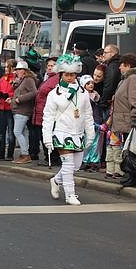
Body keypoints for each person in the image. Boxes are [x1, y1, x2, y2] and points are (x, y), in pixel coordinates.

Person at [42, 54, 95, 205]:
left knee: (76, 165)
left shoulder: (83, 93)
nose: (70, 77)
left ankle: (56, 180)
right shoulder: (54, 94)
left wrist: (90, 134)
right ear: (61, 74)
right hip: (61, 133)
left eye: (72, 74)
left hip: (78, 133)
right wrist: (47, 138)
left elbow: (88, 115)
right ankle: (70, 194)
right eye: (67, 74)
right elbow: (48, 117)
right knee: (68, 164)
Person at [110, 54, 136, 187]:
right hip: (126, 119)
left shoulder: (133, 79)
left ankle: (133, 175)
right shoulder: (127, 79)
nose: (119, 67)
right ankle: (131, 175)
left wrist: (135, 117)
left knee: (133, 150)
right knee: (130, 148)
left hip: (133, 120)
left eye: (122, 65)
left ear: (128, 65)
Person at [10, 60, 37, 164]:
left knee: (17, 131)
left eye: (19, 69)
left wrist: (20, 99)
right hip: (19, 109)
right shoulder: (21, 80)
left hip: (23, 110)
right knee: (22, 132)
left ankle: (25, 154)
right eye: (16, 70)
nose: (17, 71)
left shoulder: (28, 80)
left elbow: (34, 92)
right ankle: (24, 153)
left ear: (25, 70)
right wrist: (13, 100)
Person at [0, 59, 16, 161]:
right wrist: (0, 94)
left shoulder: (15, 79)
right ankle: (1, 153)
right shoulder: (3, 79)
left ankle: (10, 154)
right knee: (1, 132)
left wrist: (9, 95)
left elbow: (16, 92)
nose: (6, 69)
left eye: (8, 67)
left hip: (10, 109)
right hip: (2, 107)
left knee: (11, 132)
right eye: (6, 67)